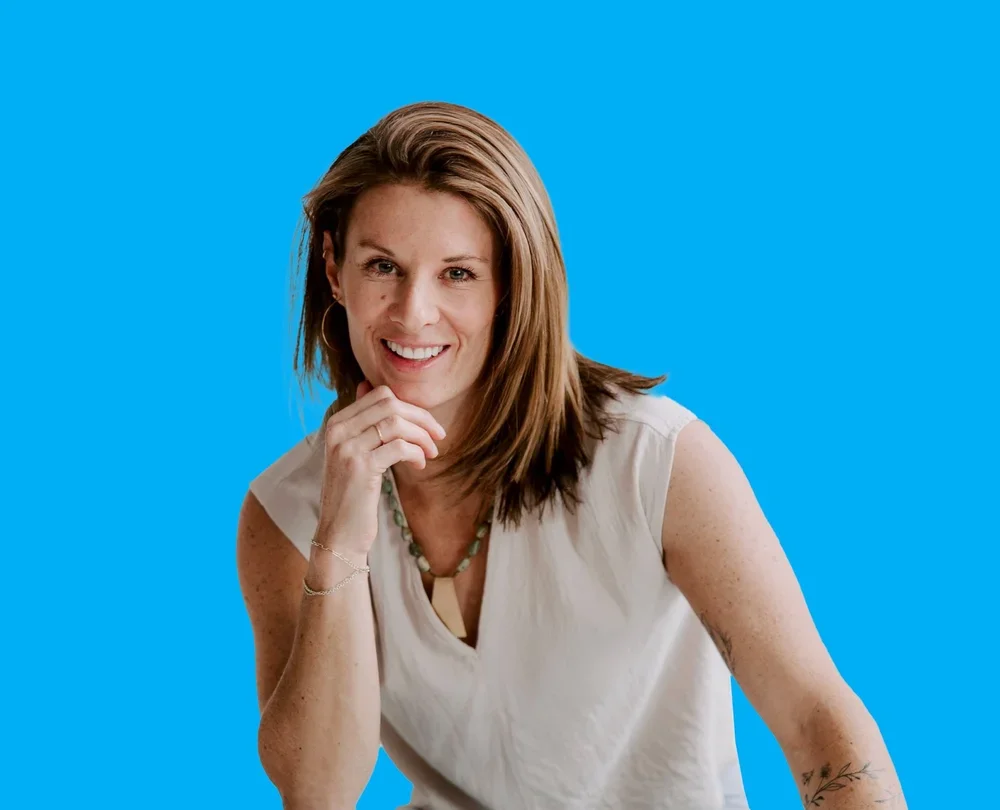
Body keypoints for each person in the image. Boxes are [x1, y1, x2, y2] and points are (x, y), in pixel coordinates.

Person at [236, 101, 906, 810]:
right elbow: (318, 791)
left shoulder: (655, 461)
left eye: (458, 274)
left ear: (512, 285)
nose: (412, 312)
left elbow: (818, 724)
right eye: (383, 266)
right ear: (334, 268)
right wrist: (340, 540)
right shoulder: (286, 514)